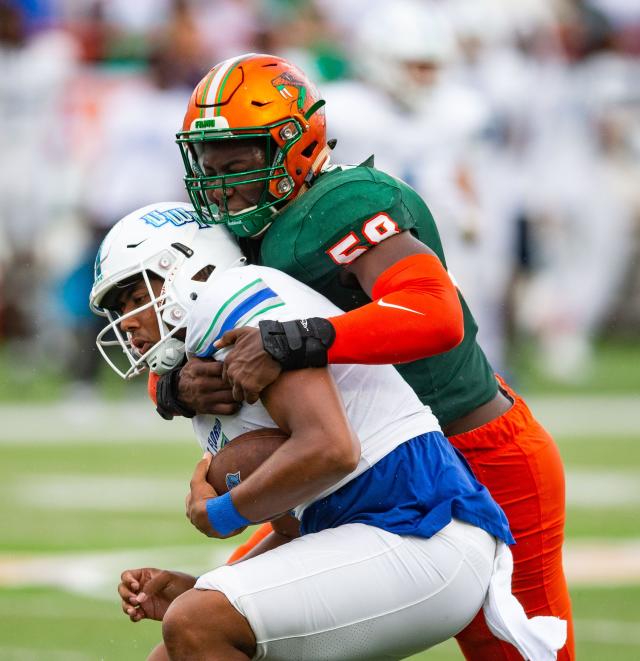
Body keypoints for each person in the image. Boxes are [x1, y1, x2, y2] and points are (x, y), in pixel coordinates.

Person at [152, 53, 575, 660]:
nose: (221, 181)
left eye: (239, 160)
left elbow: (434, 314)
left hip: (477, 457)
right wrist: (176, 387)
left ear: (293, 147)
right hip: (359, 479)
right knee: (200, 633)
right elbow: (178, 349)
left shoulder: (340, 203)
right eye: (209, 163)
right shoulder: (229, 233)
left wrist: (299, 338)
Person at [90, 201, 566, 661]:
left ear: (190, 271)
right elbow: (299, 529)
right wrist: (200, 587)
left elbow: (332, 449)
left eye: (136, 298)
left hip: (423, 524)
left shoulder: (231, 295)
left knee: (197, 623)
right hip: (379, 535)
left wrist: (221, 517)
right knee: (177, 646)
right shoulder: (203, 374)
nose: (129, 324)